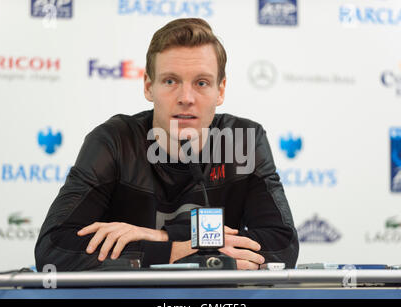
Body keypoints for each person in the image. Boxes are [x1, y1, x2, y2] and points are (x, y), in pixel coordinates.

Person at [35, 18, 299, 271]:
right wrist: (176, 251)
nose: (186, 97)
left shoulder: (243, 141)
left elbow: (282, 245)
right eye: (170, 81)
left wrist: (159, 238)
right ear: (149, 87)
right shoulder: (115, 141)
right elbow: (54, 248)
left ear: (220, 91)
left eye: (201, 83)